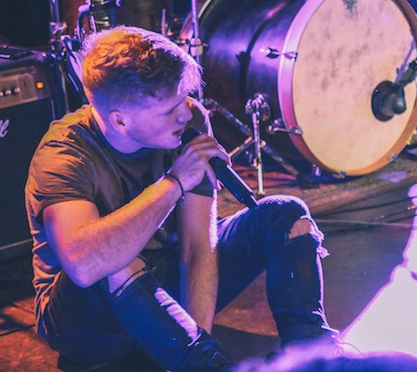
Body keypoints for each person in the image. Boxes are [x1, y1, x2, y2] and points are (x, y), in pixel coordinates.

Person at [25, 26, 336, 371]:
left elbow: (197, 246)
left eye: (184, 99)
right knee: (114, 259)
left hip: (163, 286)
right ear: (120, 121)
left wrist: (193, 342)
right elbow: (84, 266)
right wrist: (174, 183)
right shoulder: (64, 154)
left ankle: (314, 357)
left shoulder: (189, 122)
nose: (185, 114)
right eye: (168, 110)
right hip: (86, 325)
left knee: (284, 213)